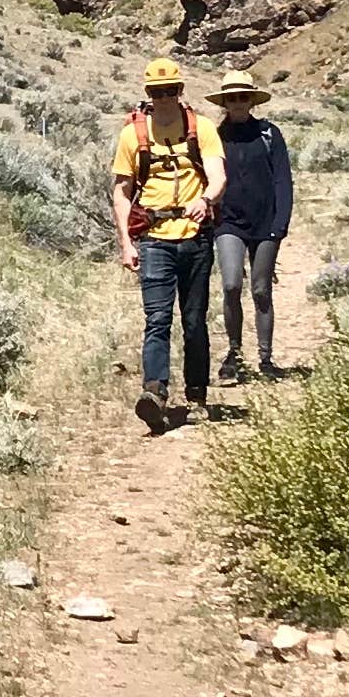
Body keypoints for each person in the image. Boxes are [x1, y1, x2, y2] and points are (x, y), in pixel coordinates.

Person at [109, 56, 224, 431]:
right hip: (154, 239)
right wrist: (126, 242)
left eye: (170, 91)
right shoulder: (133, 135)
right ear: (148, 93)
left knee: (194, 320)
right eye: (156, 92)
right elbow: (122, 191)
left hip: (195, 237)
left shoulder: (202, 128)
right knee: (157, 319)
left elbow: (218, 175)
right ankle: (154, 393)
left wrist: (205, 199)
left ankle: (197, 394)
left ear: (180, 91)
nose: (163, 98)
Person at [208, 70, 295, 380]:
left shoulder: (269, 134)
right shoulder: (215, 137)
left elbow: (282, 179)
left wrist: (280, 223)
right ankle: (234, 353)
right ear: (224, 103)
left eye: (243, 97)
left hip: (265, 221)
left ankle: (265, 359)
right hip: (228, 222)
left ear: (252, 101)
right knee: (231, 285)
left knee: (260, 289)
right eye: (231, 98)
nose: (237, 102)